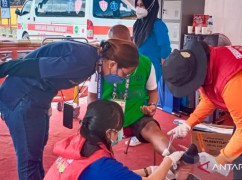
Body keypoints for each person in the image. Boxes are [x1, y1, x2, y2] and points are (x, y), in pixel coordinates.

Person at [0, 39, 139, 180]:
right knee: (29, 160)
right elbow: (33, 67)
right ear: (112, 64)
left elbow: (50, 75)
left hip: (37, 100)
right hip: (21, 97)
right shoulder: (83, 62)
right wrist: (3, 68)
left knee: (36, 153)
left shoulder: (92, 60)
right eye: (124, 74)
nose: (123, 78)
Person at [163, 39, 242, 179]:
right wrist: (188, 124)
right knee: (238, 159)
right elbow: (210, 98)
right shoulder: (205, 62)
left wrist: (220, 160)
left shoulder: (232, 79)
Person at [88, 24, 177, 156]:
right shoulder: (101, 64)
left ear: (131, 40)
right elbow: (92, 97)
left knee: (153, 130)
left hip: (137, 116)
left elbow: (153, 92)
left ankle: (176, 159)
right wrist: (93, 119)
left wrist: (152, 106)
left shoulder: (145, 63)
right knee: (95, 144)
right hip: (107, 116)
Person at [44, 100, 184, 180]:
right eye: (119, 128)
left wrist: (149, 170)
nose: (121, 132)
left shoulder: (80, 141)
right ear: (110, 132)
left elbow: (118, 175)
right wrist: (169, 160)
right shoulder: (100, 163)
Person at [133, 0, 172, 110]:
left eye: (142, 5)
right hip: (138, 64)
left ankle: (145, 116)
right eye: (137, 5)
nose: (139, 8)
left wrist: (162, 62)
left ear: (150, 7)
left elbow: (165, 47)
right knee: (137, 91)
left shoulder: (158, 24)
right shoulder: (138, 23)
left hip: (153, 66)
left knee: (147, 92)